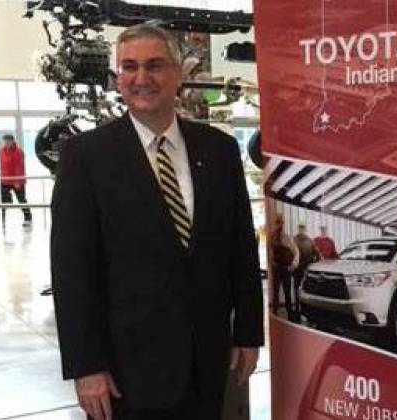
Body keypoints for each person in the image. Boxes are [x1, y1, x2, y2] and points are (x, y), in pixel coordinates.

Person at [50, 24, 264, 420]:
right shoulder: (86, 156)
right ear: (118, 78)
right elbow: (72, 272)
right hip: (126, 370)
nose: (141, 78)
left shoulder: (219, 150)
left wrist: (249, 332)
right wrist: (86, 366)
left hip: (208, 361)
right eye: (129, 67)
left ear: (178, 73)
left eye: (155, 65)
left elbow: (240, 250)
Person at [268, 213, 299, 320]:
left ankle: (290, 315)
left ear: (283, 223)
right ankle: (275, 315)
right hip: (276, 269)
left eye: (281, 222)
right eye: (277, 222)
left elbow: (296, 252)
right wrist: (272, 264)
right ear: (275, 223)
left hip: (286, 269)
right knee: (275, 293)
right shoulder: (272, 237)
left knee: (287, 293)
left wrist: (293, 265)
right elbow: (270, 252)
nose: (279, 224)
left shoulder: (288, 237)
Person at [0, 134, 32, 227]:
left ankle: (28, 218)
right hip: (5, 180)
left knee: (21, 200)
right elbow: (2, 165)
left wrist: (17, 181)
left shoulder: (18, 152)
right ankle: (2, 219)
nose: (6, 143)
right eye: (4, 141)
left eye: (8, 141)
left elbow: (20, 167)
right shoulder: (1, 151)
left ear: (12, 141)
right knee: (3, 201)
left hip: (17, 180)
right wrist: (1, 178)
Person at [292, 222, 320, 317]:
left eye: (302, 228)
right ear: (298, 228)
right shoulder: (295, 240)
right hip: (299, 270)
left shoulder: (307, 240)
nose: (301, 229)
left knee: (305, 290)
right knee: (297, 289)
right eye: (300, 227)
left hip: (306, 270)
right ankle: (297, 307)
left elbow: (317, 254)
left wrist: (314, 266)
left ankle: (303, 308)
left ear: (305, 229)